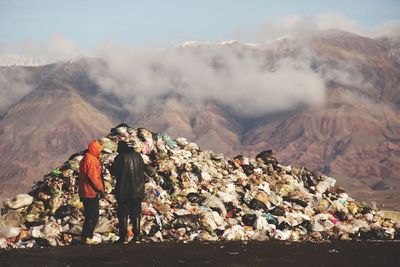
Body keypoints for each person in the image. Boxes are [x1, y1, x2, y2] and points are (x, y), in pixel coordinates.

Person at [111, 141, 145, 244]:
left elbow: (114, 172)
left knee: (123, 214)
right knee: (136, 213)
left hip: (123, 191)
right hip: (137, 191)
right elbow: (142, 169)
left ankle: (123, 237)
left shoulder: (120, 158)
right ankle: (137, 237)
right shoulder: (138, 156)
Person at [78, 140, 105, 245]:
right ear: (95, 149)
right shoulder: (91, 160)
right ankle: (88, 237)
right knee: (93, 216)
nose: (100, 152)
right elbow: (93, 178)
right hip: (90, 192)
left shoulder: (86, 158)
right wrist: (100, 189)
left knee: (89, 215)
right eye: (99, 150)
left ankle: (85, 236)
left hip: (85, 191)